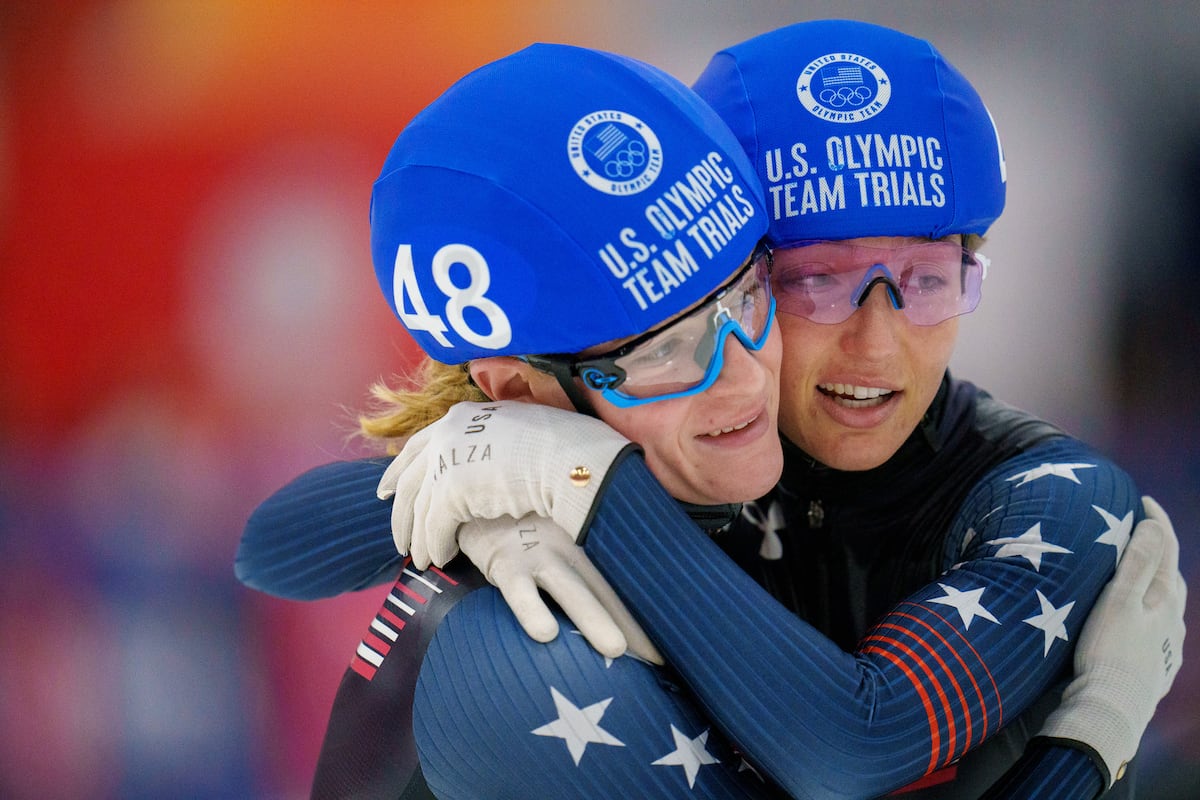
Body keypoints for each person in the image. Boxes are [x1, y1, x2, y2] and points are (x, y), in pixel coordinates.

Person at [237, 22, 1187, 800]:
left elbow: (857, 738)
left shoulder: (1043, 496)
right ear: (524, 393)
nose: (875, 346)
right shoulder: (518, 631)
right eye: (814, 284)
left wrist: (579, 486)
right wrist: (1083, 757)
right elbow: (274, 543)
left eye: (926, 280)